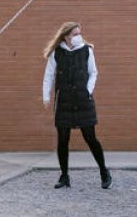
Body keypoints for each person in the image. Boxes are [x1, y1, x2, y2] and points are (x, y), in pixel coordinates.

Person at [41, 21, 111, 190]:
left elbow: (93, 72)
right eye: (75, 34)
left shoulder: (87, 50)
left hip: (83, 99)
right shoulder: (56, 53)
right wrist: (46, 96)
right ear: (66, 36)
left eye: (80, 33)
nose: (79, 36)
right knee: (63, 140)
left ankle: (104, 172)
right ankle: (64, 176)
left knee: (90, 137)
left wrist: (88, 90)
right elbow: (48, 75)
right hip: (64, 99)